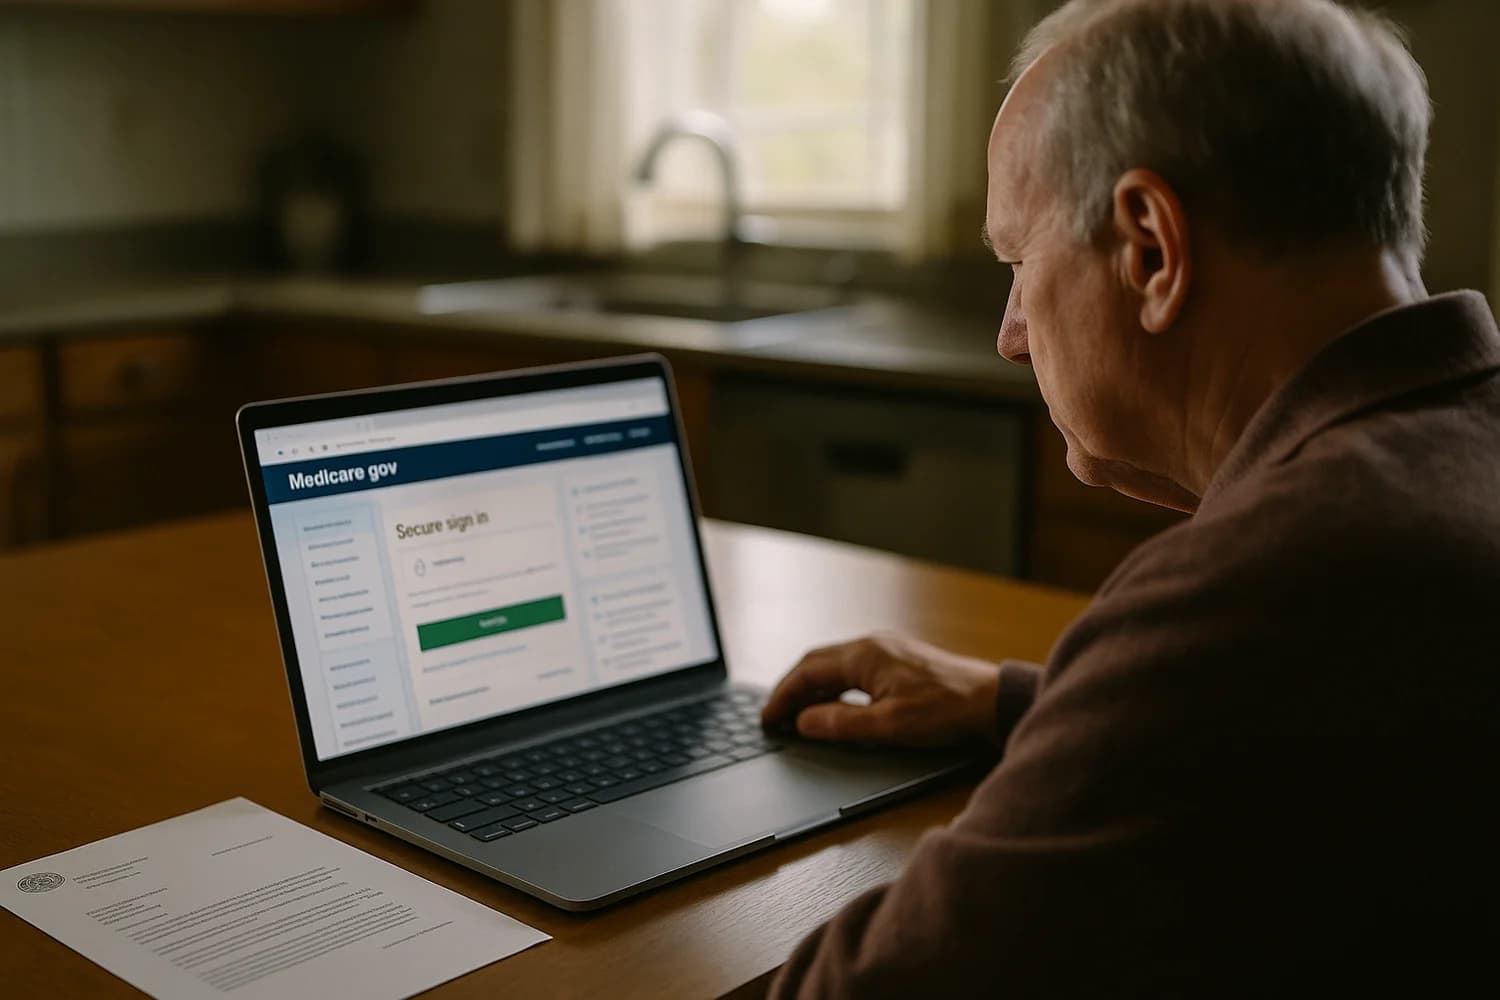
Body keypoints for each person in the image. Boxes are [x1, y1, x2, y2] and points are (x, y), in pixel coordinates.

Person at [761, 0, 1500, 995]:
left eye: (1021, 264)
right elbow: (1333, 733)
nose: (1011, 334)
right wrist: (1021, 701)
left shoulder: (1269, 586)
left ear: (1150, 247)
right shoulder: (1444, 466)